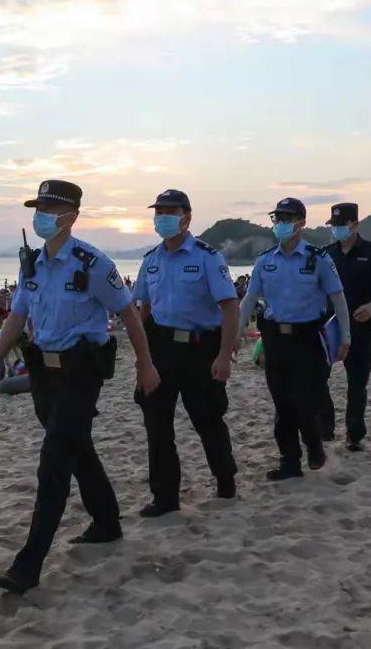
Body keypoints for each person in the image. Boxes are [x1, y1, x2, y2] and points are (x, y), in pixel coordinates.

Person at [0, 179, 161, 595]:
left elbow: (129, 315)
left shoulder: (92, 263)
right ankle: (107, 522)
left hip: (81, 373)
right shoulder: (32, 264)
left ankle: (28, 565)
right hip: (44, 374)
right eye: (37, 209)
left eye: (48, 209)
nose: (40, 216)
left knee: (54, 463)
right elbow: (17, 316)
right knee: (77, 449)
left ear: (71, 216)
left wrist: (145, 365)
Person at [131, 189, 240, 516]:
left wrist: (224, 356)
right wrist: (141, 358)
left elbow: (230, 307)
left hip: (200, 348)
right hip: (160, 348)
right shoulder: (151, 260)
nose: (162, 217)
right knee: (156, 424)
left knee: (207, 419)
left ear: (187, 217)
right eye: (158, 212)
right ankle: (165, 497)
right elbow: (142, 309)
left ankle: (225, 480)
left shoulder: (207, 257)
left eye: (170, 211)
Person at [237, 198, 351, 481]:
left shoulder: (317, 258)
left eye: (287, 219)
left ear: (301, 222)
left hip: (307, 339)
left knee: (305, 400)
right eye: (278, 218)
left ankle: (314, 446)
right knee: (282, 403)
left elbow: (338, 298)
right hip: (275, 339)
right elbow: (249, 299)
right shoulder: (265, 260)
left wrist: (346, 337)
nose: (281, 224)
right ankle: (289, 461)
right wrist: (235, 333)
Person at [319, 203, 371, 452]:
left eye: (341, 225)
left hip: (360, 325)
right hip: (329, 326)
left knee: (357, 383)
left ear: (355, 225)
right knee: (319, 378)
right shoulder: (327, 254)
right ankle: (325, 428)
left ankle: (354, 434)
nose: (337, 229)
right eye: (334, 225)